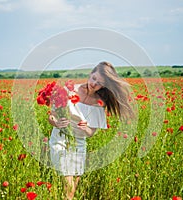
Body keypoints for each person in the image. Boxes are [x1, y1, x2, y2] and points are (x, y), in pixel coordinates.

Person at [48, 61, 134, 200]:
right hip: (61, 138)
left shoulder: (98, 102)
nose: (94, 84)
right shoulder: (70, 90)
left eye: (99, 83)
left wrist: (86, 128)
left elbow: (91, 133)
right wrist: (56, 123)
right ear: (90, 74)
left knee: (72, 187)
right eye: (94, 78)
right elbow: (51, 116)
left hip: (79, 143)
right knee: (68, 182)